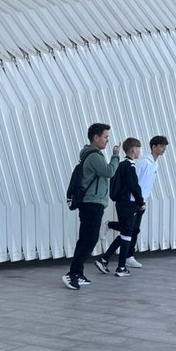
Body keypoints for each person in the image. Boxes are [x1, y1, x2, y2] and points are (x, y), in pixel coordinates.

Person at [63, 123, 121, 290]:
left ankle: (78, 272)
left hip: (92, 203)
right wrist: (116, 155)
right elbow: (109, 172)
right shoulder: (95, 156)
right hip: (92, 203)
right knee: (89, 239)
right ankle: (73, 273)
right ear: (95, 138)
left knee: (85, 239)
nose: (107, 141)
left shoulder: (91, 154)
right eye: (105, 137)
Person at [96, 137, 144, 278]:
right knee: (127, 234)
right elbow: (134, 186)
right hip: (129, 204)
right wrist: (141, 202)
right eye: (139, 149)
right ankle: (121, 267)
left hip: (121, 203)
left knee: (125, 231)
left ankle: (104, 260)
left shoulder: (122, 165)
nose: (140, 152)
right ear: (134, 150)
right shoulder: (130, 166)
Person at [130, 135, 169, 265]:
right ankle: (126, 255)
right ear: (154, 147)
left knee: (135, 229)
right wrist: (138, 200)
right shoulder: (144, 163)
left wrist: (143, 202)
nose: (164, 149)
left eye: (165, 147)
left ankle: (129, 256)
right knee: (130, 229)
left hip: (141, 201)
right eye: (162, 146)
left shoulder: (155, 164)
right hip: (134, 201)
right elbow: (134, 182)